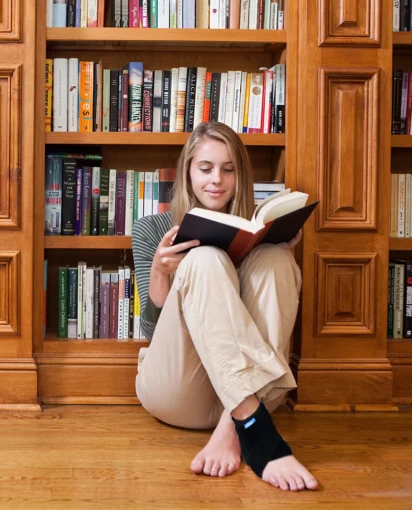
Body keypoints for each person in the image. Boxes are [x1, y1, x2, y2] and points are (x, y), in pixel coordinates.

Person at [131, 121, 318, 492]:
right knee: (204, 259)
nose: (216, 179)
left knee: (276, 262)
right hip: (178, 389)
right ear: (188, 170)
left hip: (250, 393)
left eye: (228, 169)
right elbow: (152, 331)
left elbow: (275, 318)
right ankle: (253, 427)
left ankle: (232, 427)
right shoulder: (152, 228)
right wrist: (159, 272)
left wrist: (283, 254)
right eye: (205, 168)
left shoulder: (253, 229)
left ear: (240, 176)